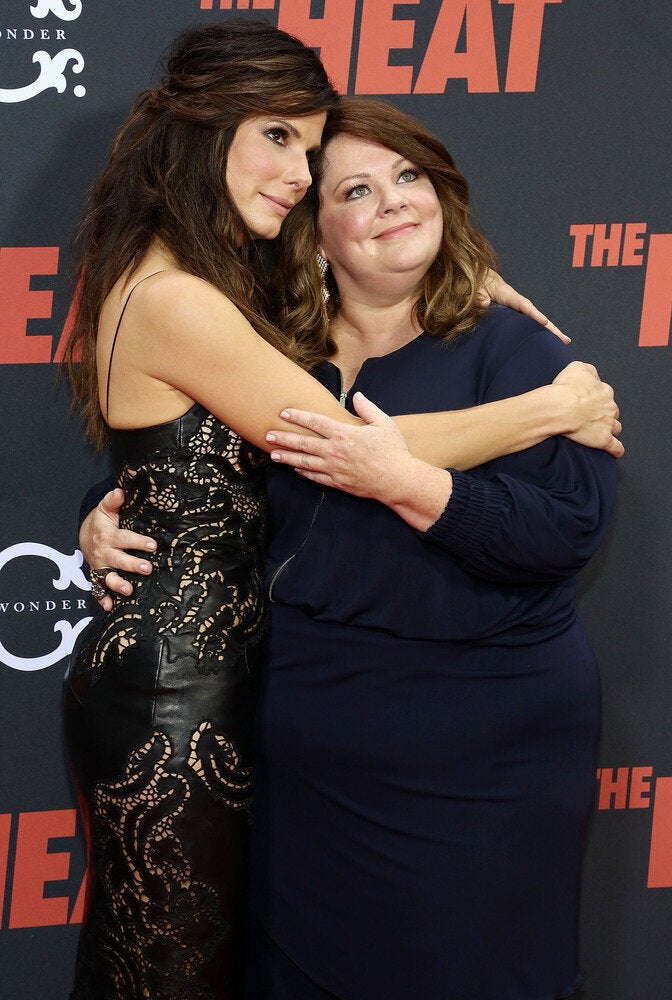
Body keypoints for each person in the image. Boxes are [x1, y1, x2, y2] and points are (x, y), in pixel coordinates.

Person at [69, 25, 621, 1000]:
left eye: (403, 181)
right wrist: (555, 407)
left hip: (393, 744)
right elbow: (328, 450)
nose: (297, 172)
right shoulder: (212, 308)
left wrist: (109, 508)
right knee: (164, 967)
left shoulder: (496, 339)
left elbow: (200, 461)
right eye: (290, 145)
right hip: (188, 704)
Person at [237, 98, 618, 1000]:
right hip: (303, 766)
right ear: (315, 235)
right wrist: (107, 513)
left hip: (483, 758)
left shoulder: (516, 347)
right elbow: (197, 477)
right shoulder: (266, 354)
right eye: (358, 190)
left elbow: (567, 525)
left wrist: (406, 480)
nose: (395, 201)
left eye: (409, 177)